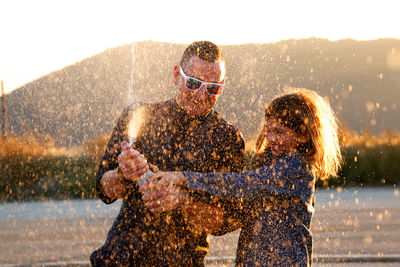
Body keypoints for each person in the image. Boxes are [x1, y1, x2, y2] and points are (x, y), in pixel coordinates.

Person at [140, 89, 342, 266]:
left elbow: (240, 184)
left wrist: (183, 178)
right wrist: (175, 188)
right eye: (268, 130)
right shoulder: (267, 160)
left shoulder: (296, 167)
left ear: (304, 135)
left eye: (279, 132)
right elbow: (236, 201)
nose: (271, 138)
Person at [90, 41, 245, 266]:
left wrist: (183, 201)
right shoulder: (140, 116)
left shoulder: (227, 138)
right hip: (120, 257)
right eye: (193, 83)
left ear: (223, 85)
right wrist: (124, 175)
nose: (201, 95)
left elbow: (226, 220)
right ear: (176, 75)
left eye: (213, 88)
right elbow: (104, 190)